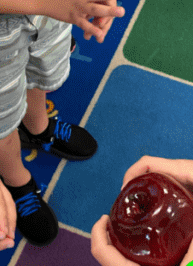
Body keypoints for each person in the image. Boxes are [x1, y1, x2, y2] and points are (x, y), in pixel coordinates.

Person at [0, 0, 125, 247]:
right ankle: (16, 180)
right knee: (3, 118)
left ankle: (38, 128)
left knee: (40, 72)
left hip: (53, 14)